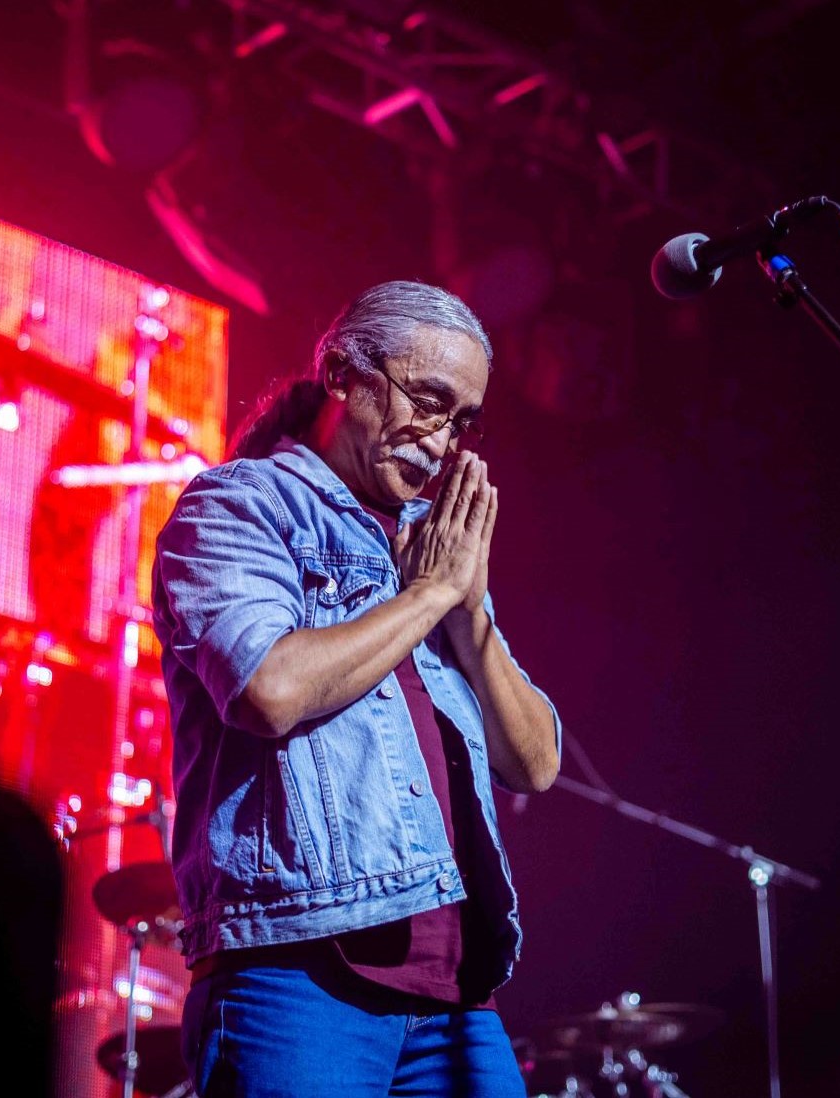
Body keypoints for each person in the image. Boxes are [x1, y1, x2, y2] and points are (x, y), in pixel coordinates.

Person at [151, 280, 561, 1096]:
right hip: (297, 970)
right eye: (429, 400)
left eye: (463, 418)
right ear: (342, 373)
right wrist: (429, 597)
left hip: (456, 998)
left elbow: (537, 762)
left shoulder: (429, 552)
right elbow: (267, 687)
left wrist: (466, 608)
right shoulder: (240, 505)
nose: (443, 440)